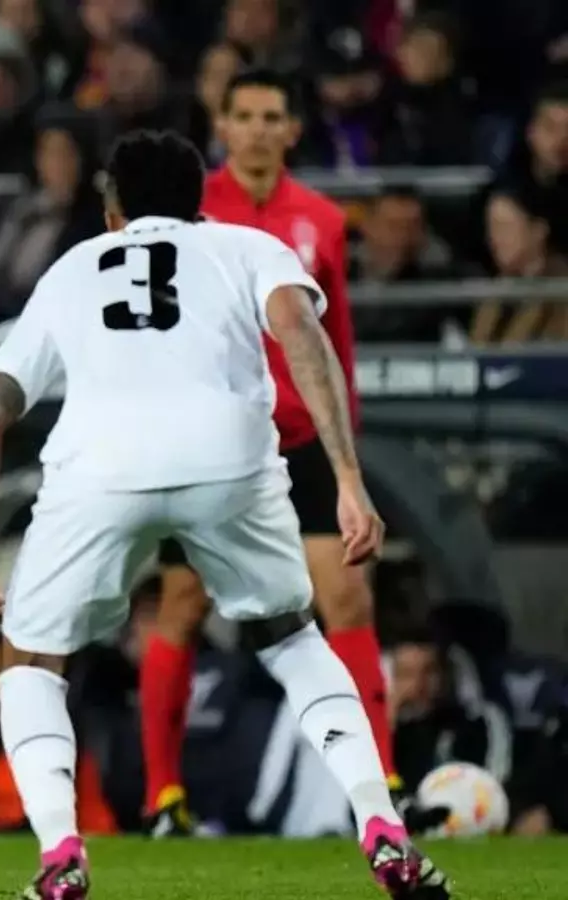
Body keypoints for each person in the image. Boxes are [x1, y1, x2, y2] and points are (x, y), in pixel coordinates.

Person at [0, 130, 450, 900]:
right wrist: (348, 477)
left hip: (101, 472)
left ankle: (60, 854)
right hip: (228, 463)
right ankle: (381, 824)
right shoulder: (246, 247)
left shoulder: (72, 270)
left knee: (33, 660)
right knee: (291, 636)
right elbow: (302, 334)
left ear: (112, 210)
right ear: (199, 204)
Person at [138, 68, 409, 836]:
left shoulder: (322, 219)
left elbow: (335, 343)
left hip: (302, 440)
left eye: (272, 117)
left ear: (292, 130)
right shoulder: (185, 217)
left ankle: (384, 782)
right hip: (211, 442)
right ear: (222, 125)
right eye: (245, 116)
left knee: (347, 599)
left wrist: (348, 460)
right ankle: (163, 796)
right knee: (183, 605)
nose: (258, 129)